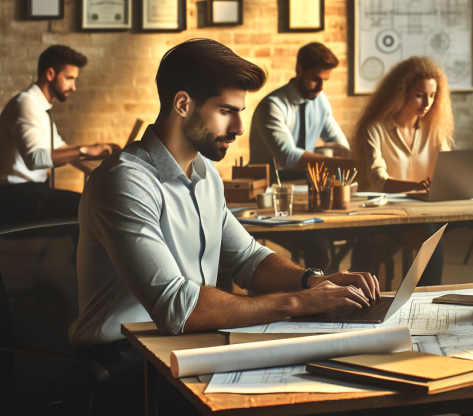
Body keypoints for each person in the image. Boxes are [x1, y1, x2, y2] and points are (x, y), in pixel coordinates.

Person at [69, 39, 380, 415]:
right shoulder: (125, 181)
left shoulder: (206, 175)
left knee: (330, 379)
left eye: (240, 111)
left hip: (190, 346)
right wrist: (297, 303)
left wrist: (314, 282)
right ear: (183, 104)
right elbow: (179, 307)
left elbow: (248, 259)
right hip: (122, 364)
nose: (239, 127)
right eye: (226, 111)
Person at [0, 45, 120, 224]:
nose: (73, 87)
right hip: (16, 198)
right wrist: (84, 150)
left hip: (31, 193)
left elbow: (59, 148)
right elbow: (35, 159)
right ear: (50, 74)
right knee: (91, 207)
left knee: (91, 203)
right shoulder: (26, 105)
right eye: (69, 78)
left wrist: (97, 150)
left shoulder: (39, 106)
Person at [352, 57, 452, 286]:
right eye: (419, 95)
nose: (427, 102)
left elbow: (448, 168)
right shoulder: (375, 128)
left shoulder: (433, 130)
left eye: (432, 95)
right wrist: (415, 186)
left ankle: (425, 298)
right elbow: (377, 179)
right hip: (385, 212)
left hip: (424, 211)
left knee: (435, 237)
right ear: (400, 92)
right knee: (431, 240)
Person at [249, 42, 351, 179]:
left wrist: (344, 157)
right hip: (267, 185)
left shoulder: (320, 101)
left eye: (324, 80)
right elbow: (288, 156)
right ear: (299, 70)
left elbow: (340, 145)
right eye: (315, 79)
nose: (321, 87)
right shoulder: (272, 106)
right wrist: (343, 165)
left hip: (303, 182)